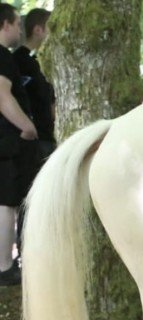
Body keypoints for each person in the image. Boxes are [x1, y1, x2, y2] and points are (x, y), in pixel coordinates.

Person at [0, 3, 38, 286]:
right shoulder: (2, 57)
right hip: (8, 141)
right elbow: (2, 96)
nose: (19, 31)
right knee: (6, 202)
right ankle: (4, 267)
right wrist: (27, 126)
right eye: (16, 24)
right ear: (4, 25)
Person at [13, 8, 55, 160]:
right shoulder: (18, 61)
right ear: (38, 30)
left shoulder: (48, 60)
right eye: (52, 29)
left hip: (48, 134)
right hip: (33, 137)